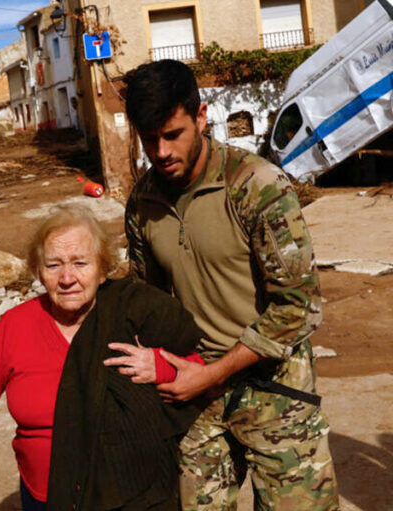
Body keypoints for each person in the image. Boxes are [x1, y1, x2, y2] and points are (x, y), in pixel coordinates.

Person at [0, 205, 206, 511]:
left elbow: (198, 369)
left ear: (102, 269)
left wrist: (161, 367)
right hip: (46, 496)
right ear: (38, 272)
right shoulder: (17, 326)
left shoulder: (134, 313)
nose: (67, 278)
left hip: (132, 491)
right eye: (53, 265)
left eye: (80, 263)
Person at [123, 59, 340, 510]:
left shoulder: (256, 185)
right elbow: (149, 301)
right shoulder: (143, 202)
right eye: (149, 139)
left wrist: (214, 372)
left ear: (201, 117)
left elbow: (299, 306)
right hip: (195, 398)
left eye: (173, 134)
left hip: (274, 394)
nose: (161, 151)